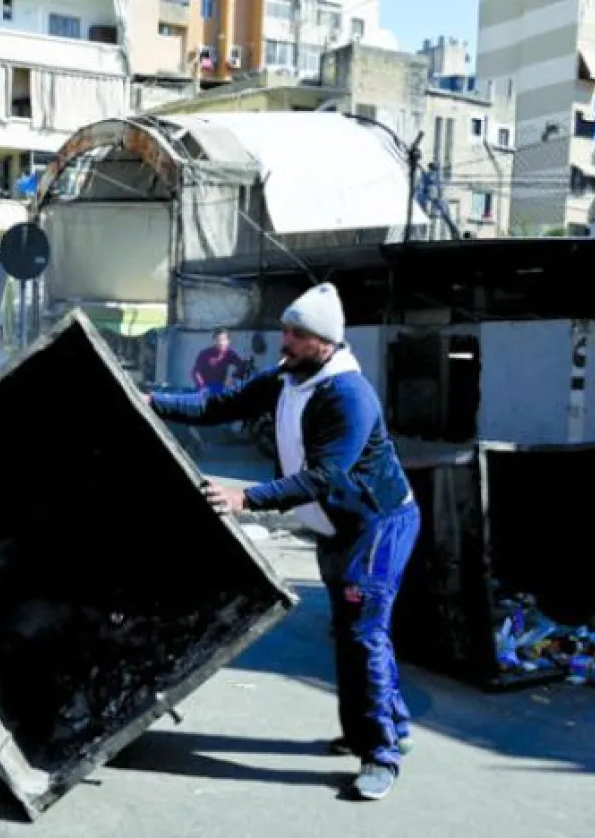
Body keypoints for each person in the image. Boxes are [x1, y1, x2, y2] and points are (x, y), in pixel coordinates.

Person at [144, 283, 419, 802]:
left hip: (377, 525)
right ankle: (387, 727)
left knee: (363, 634)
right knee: (354, 631)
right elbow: (219, 403)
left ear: (325, 342)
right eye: (285, 330)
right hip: (336, 525)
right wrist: (155, 402)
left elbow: (325, 476)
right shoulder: (289, 377)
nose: (284, 340)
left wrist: (246, 499)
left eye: (297, 334)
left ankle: (379, 754)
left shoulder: (347, 395)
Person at [191, 328, 247, 395]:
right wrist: (202, 386)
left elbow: (241, 365)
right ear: (213, 340)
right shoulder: (205, 353)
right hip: (205, 388)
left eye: (223, 340)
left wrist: (233, 377)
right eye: (218, 340)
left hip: (220, 387)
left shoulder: (230, 354)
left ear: (228, 341)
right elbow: (196, 372)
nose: (221, 342)